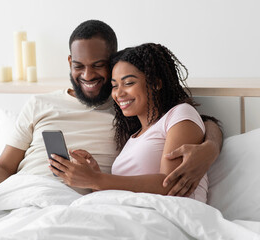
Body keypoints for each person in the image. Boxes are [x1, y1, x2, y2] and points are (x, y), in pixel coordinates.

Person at [0, 20, 222, 210]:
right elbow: (3, 166)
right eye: (79, 66)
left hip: (69, 203)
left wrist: (210, 147)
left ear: (113, 62)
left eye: (98, 66)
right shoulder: (39, 103)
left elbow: (192, 118)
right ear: (70, 63)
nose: (88, 75)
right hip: (16, 192)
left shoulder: (126, 112)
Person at [49, 43, 212, 202]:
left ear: (156, 83)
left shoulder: (179, 114)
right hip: (133, 215)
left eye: (128, 83)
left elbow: (170, 185)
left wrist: (96, 179)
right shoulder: (133, 138)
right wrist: (93, 174)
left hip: (172, 216)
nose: (119, 93)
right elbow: (124, 193)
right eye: (114, 86)